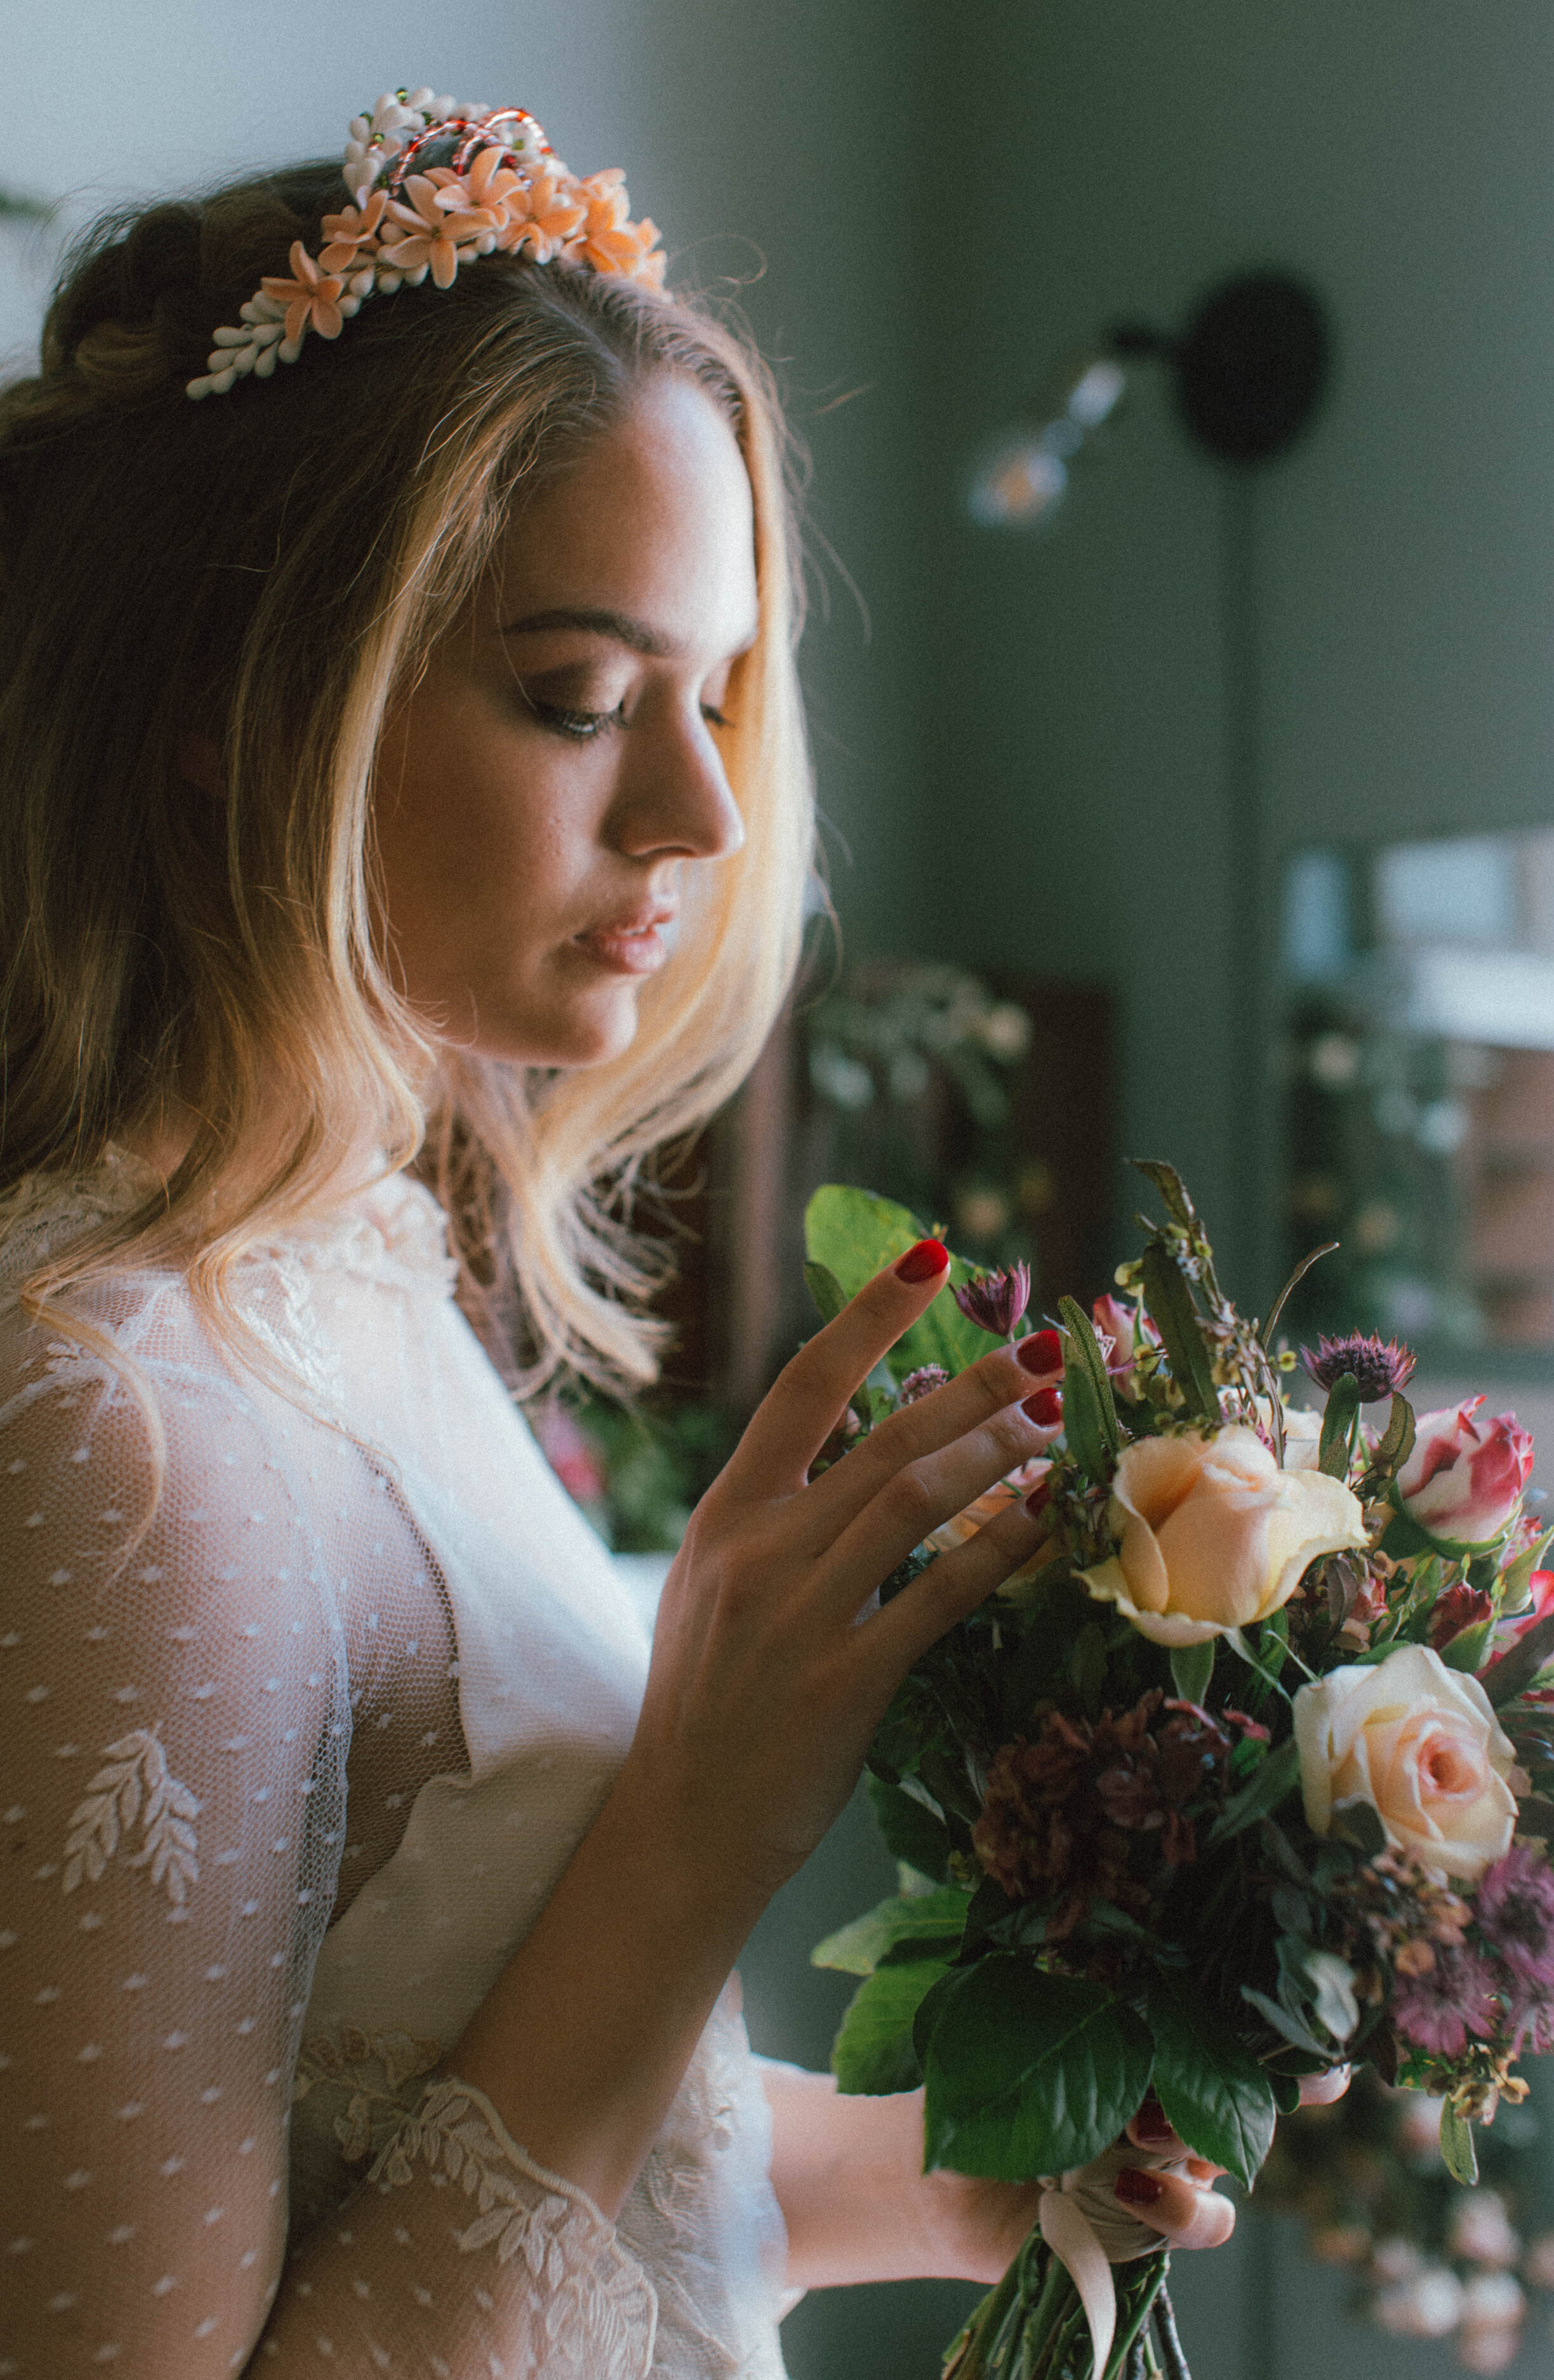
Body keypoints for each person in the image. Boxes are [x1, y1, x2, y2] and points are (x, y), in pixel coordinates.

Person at [0, 88, 1322, 2379]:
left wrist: (957, 2171)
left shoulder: (361, 1281)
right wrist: (694, 1828)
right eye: (579, 697)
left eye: (713, 699)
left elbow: (506, 2137)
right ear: (237, 699)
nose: (705, 806)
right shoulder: (115, 1436)